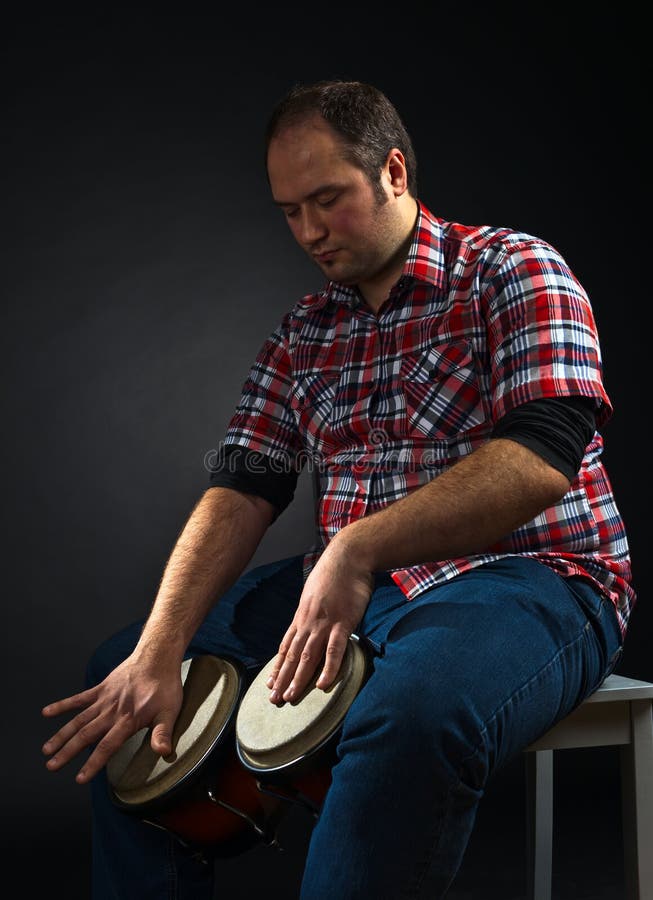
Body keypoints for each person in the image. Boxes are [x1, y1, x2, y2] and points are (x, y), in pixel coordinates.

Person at [42, 79, 635, 899]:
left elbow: (540, 457)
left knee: (411, 716)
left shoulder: (513, 269)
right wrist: (160, 645)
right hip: (352, 584)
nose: (310, 232)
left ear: (392, 171)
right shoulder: (303, 333)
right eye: (290, 211)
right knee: (128, 677)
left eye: (327, 199)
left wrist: (357, 548)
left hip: (527, 575)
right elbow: (244, 487)